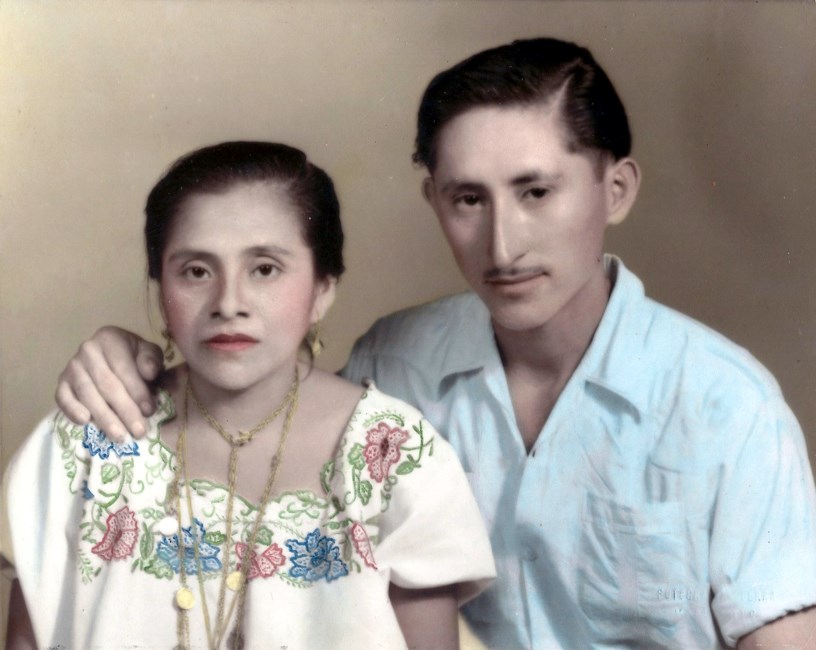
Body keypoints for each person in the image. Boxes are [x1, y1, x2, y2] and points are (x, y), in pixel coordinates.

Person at [49, 38, 816, 648]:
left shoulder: (728, 406)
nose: (503, 243)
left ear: (615, 190)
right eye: (467, 199)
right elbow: (252, 429)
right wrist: (135, 358)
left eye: (536, 191)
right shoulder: (395, 365)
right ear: (434, 200)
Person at [2, 141, 495, 649]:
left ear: (322, 288)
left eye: (264, 269)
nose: (229, 303)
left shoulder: (397, 455)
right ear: (161, 288)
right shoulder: (85, 443)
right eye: (196, 271)